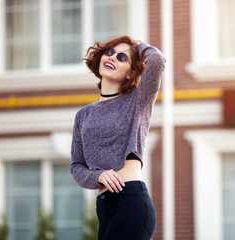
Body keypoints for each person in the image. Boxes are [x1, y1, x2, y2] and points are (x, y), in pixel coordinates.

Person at [70, 35, 165, 240]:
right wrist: (98, 176)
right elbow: (76, 166)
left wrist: (136, 48)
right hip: (104, 208)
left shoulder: (138, 101)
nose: (112, 58)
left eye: (122, 58)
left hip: (131, 201)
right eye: (110, 52)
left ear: (131, 74)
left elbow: (157, 60)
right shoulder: (83, 115)